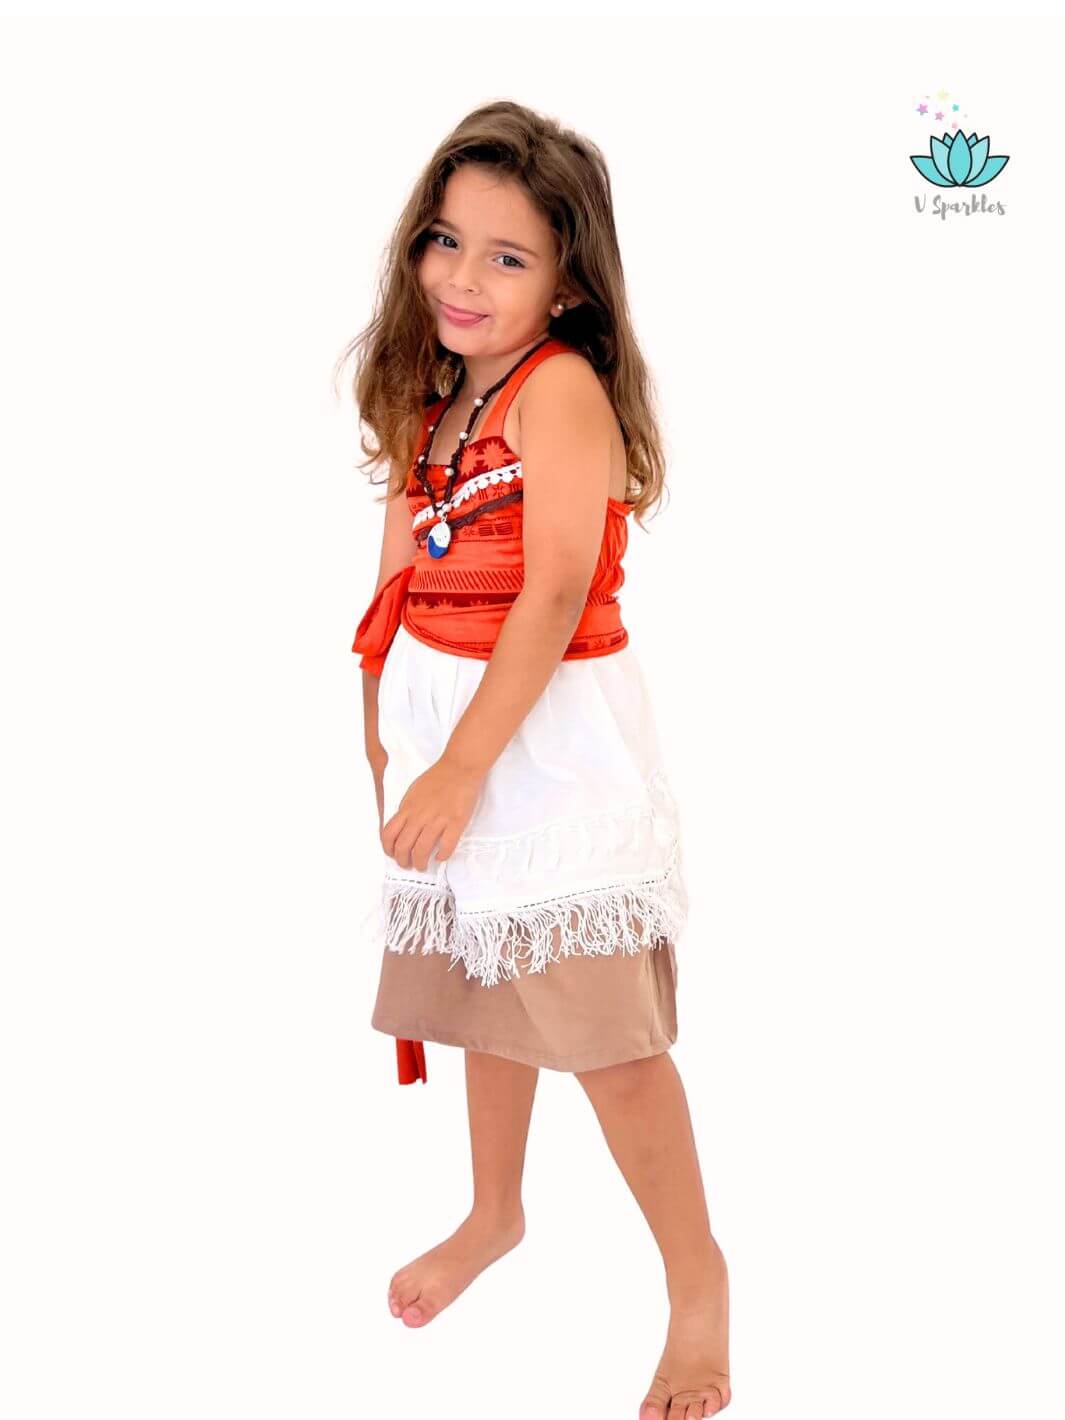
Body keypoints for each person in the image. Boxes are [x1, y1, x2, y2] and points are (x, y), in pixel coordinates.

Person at [337, 101, 731, 1419]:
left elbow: (554, 589)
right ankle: (493, 1211)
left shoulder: (554, 388)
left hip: (544, 746)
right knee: (483, 987)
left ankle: (697, 1280)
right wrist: (388, 740)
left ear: (567, 283)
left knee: (608, 1038)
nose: (462, 276)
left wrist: (464, 768)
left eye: (506, 257)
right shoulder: (436, 392)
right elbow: (398, 580)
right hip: (447, 725)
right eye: (446, 240)